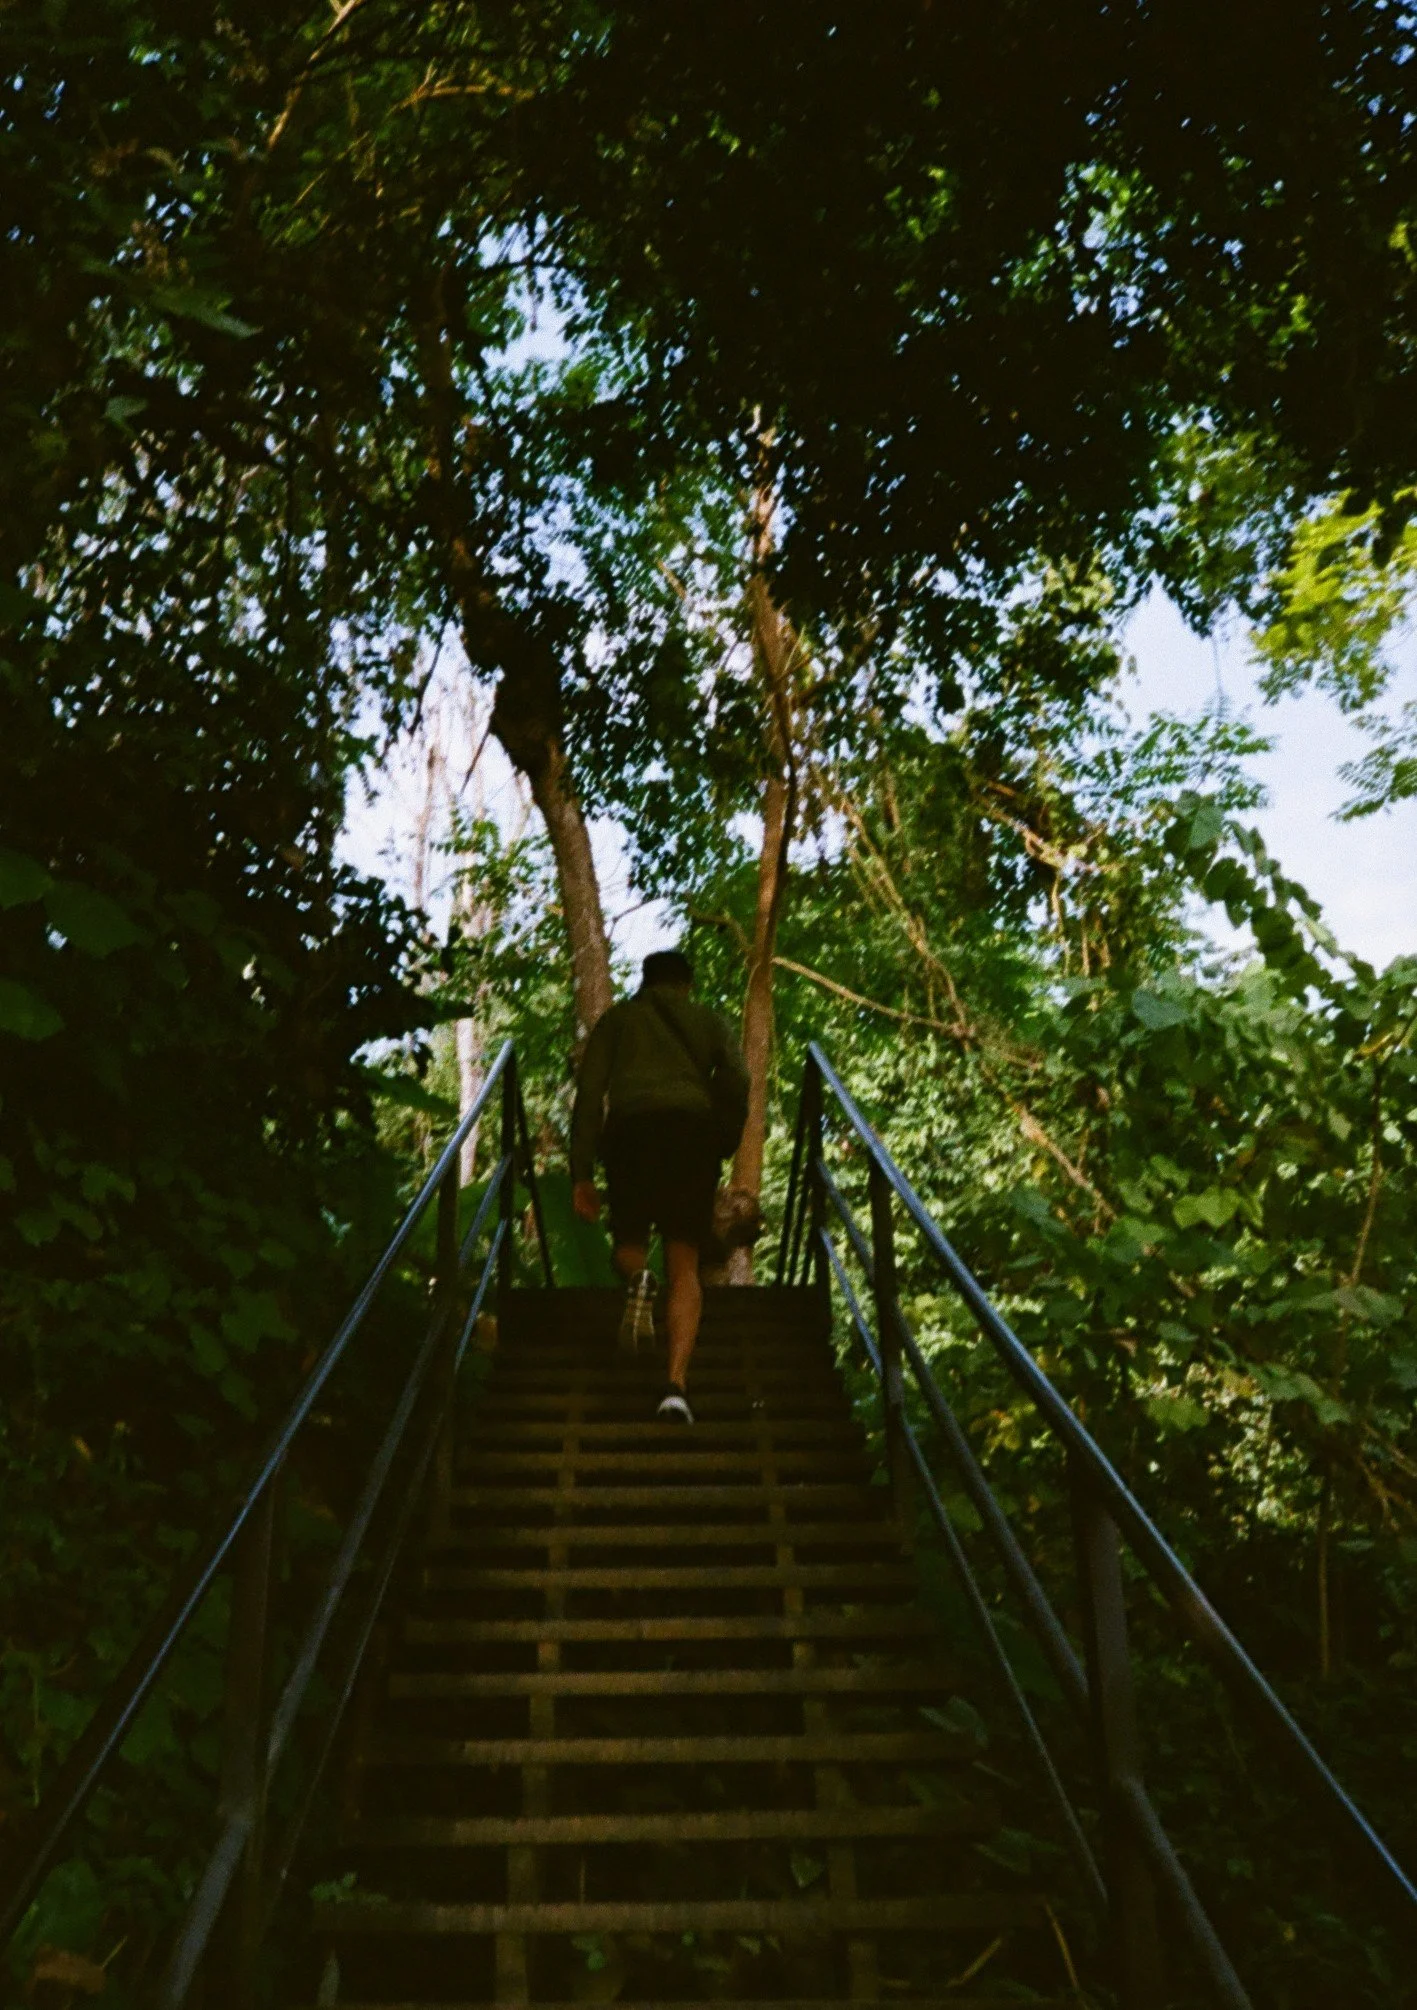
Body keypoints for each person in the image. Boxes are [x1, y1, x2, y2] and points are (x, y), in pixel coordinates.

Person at [569, 949, 750, 1424]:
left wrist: (581, 1171)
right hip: (691, 1138)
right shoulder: (707, 1021)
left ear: (645, 983)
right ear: (686, 984)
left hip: (631, 1135)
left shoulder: (618, 1021)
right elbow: (738, 1079)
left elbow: (589, 1093)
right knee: (685, 1262)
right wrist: (724, 1139)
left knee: (628, 1244)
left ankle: (638, 1278)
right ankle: (675, 1386)